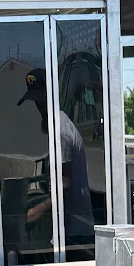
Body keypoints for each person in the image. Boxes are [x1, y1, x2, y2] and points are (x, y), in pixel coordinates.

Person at [18, 68, 95, 249]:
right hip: (69, 225)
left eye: (41, 99)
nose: (39, 106)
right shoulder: (60, 123)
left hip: (74, 229)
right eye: (35, 101)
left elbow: (64, 186)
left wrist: (37, 210)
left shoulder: (60, 131)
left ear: (52, 96)